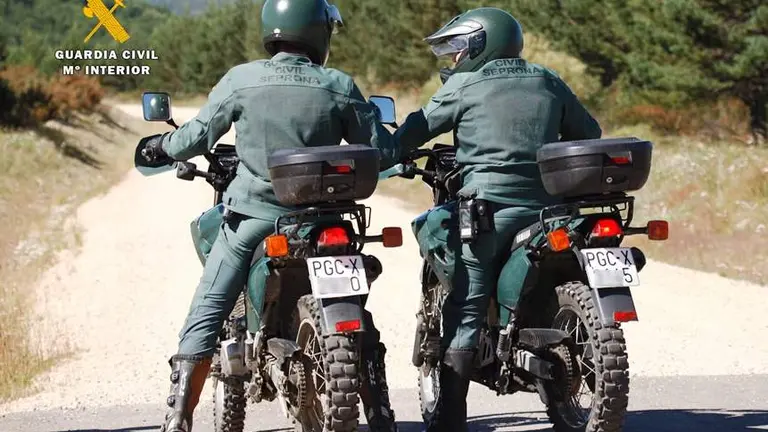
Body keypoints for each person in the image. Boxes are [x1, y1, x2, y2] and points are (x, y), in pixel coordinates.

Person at [141, 1, 399, 431]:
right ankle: (380, 413)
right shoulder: (338, 84)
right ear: (320, 33)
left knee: (210, 304)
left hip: (256, 217)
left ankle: (179, 417)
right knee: (359, 311)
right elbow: (381, 150)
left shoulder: (241, 79)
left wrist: (160, 147)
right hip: (324, 219)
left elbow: (198, 135)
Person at [394, 7, 602, 431]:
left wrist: (387, 149)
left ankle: (449, 418)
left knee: (465, 307)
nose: (453, 60)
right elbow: (589, 133)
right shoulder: (546, 79)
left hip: (489, 213)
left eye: (456, 51)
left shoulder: (466, 85)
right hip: (550, 213)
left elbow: (414, 132)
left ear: (478, 45)